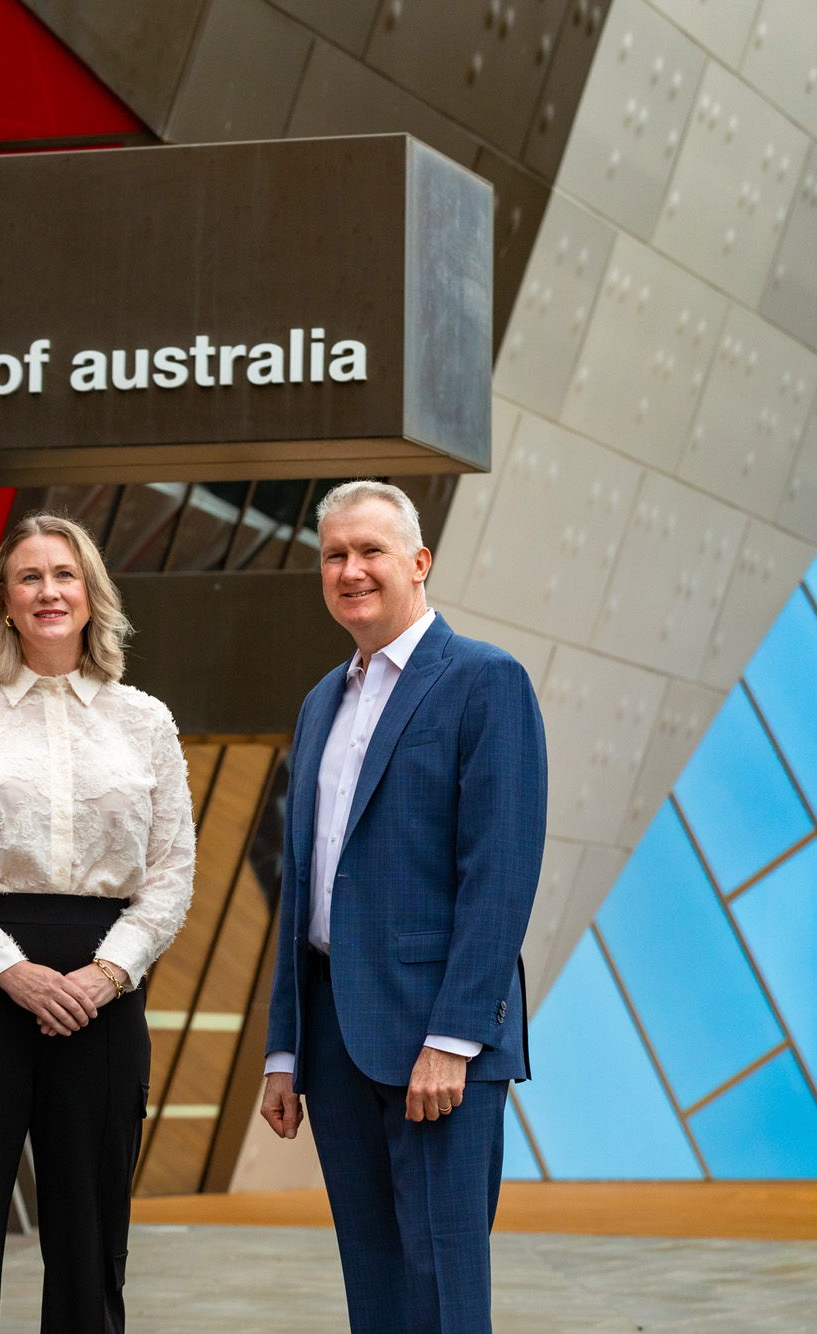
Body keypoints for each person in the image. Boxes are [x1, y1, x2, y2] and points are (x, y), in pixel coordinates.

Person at [259, 480, 546, 1332]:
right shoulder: (321, 702)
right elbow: (304, 884)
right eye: (335, 555)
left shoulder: (486, 682)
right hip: (336, 1037)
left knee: (445, 1292)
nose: (351, 570)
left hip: (435, 1045)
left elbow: (500, 873)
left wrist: (454, 1038)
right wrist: (284, 1048)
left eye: (370, 551)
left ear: (420, 563)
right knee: (376, 1290)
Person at [0, 511, 195, 1333]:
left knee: (91, 1243)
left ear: (92, 593)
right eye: (29, 576)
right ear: (4, 598)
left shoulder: (146, 721)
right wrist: (9, 971)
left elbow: (173, 872)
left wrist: (107, 975)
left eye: (64, 575)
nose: (48, 591)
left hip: (103, 998)